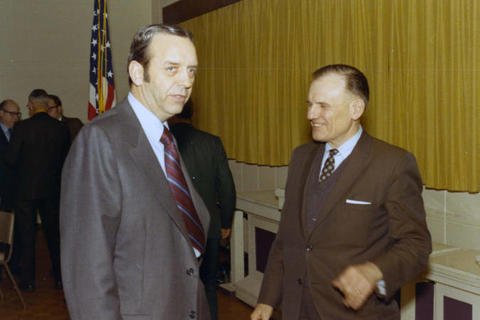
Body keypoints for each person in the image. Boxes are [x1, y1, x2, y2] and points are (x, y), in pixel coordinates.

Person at [251, 64, 431, 320]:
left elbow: (417, 244)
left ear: (356, 109)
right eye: (309, 104)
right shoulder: (301, 157)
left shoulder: (393, 164)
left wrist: (374, 272)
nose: (311, 114)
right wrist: (267, 300)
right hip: (296, 309)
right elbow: (287, 239)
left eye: (323, 105)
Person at [60, 24, 211, 320]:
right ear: (137, 73)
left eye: (191, 70)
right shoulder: (101, 140)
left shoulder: (166, 139)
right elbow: (88, 271)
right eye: (172, 68)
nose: (186, 81)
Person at [170, 100, 236, 320]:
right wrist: (226, 223)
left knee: (175, 289)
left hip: (173, 230)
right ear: (192, 114)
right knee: (208, 286)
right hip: (209, 228)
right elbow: (226, 186)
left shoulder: (161, 141)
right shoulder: (212, 142)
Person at [5, 89, 70, 291]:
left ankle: (28, 281)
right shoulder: (60, 128)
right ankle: (60, 278)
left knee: (26, 236)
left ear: (32, 105)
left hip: (25, 191)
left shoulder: (22, 127)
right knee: (53, 237)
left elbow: (11, 159)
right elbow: (67, 159)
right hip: (52, 190)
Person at [0, 99, 21, 211]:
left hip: (16, 189)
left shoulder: (20, 132)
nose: (16, 117)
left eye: (17, 114)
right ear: (1, 113)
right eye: (12, 114)